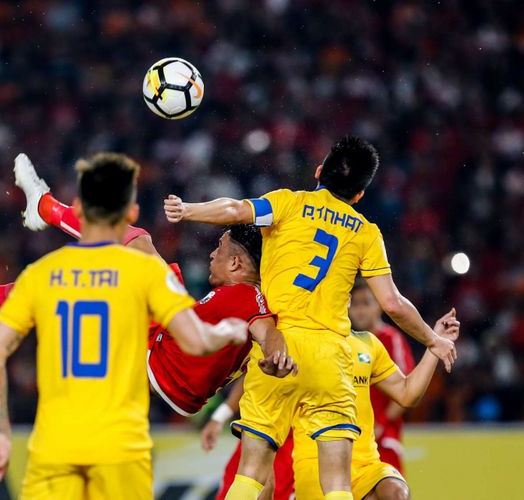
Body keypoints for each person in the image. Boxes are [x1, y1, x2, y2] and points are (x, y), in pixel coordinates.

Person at [0, 155, 297, 418]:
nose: (211, 254)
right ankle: (46, 208)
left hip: (160, 367)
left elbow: (267, 331)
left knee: (60, 283)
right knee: (136, 242)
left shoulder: (246, 297)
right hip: (167, 340)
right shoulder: (233, 297)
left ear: (238, 263)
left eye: (220, 248)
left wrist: (278, 355)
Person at [164, 136, 457, 500]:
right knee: (337, 482)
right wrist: (433, 339)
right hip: (331, 359)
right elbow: (394, 303)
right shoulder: (366, 232)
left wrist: (188, 209)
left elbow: (236, 209)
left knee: (252, 472)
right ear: (360, 195)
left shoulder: (289, 202)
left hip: (278, 348)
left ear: (319, 172)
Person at [0, 152, 249, 499]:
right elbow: (196, 341)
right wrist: (229, 332)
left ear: (79, 208)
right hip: (121, 447)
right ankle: (44, 207)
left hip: (56, 444)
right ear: (131, 213)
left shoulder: (42, 275)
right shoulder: (144, 275)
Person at [202, 305, 460, 500]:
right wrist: (220, 414)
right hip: (314, 468)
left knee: (395, 492)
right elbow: (253, 380)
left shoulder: (368, 344)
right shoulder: (296, 344)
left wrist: (433, 348)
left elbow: (407, 393)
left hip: (365, 464)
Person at [349, 279, 415, 472]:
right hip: (353, 437)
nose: (360, 310)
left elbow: (406, 386)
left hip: (383, 436)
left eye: (366, 303)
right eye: (355, 304)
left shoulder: (390, 339)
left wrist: (382, 423)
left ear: (379, 305)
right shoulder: (346, 341)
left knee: (391, 490)